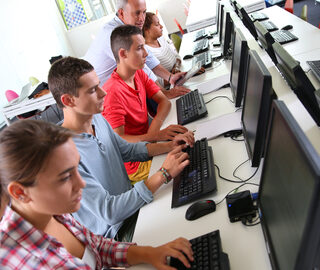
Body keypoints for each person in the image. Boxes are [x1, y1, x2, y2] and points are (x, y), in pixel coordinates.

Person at [0, 120, 194, 269]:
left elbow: (97, 247)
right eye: (65, 177)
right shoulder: (25, 261)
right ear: (20, 192)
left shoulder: (52, 210)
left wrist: (149, 253)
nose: (81, 183)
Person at [48, 56, 194, 242]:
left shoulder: (97, 119)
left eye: (99, 85)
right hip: (115, 235)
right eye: (93, 90)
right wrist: (164, 173)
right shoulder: (62, 155)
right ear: (68, 100)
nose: (103, 93)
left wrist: (170, 145)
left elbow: (127, 150)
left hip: (131, 206)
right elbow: (110, 212)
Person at [102, 25, 188, 184]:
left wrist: (155, 133)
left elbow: (164, 101)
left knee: (190, 145)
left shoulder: (138, 72)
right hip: (136, 163)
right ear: (123, 53)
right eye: (140, 48)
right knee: (187, 164)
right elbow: (120, 141)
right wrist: (155, 136)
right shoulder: (112, 93)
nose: (146, 53)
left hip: (149, 145)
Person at [84, 0, 190, 99]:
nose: (142, 18)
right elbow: (140, 67)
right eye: (137, 13)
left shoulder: (130, 27)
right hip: (96, 96)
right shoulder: (113, 34)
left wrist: (170, 77)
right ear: (121, 13)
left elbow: (148, 57)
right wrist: (163, 93)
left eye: (144, 12)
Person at [143, 12, 205, 86]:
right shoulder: (146, 51)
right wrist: (188, 75)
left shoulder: (161, 39)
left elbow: (176, 56)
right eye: (157, 24)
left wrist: (176, 67)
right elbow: (158, 82)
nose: (161, 26)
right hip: (172, 85)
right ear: (146, 30)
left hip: (179, 73)